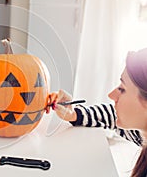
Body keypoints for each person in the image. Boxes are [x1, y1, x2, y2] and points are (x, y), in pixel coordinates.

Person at [49, 48, 147, 176]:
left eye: (122, 89)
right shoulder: (140, 132)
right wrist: (75, 114)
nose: (111, 95)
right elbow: (111, 116)